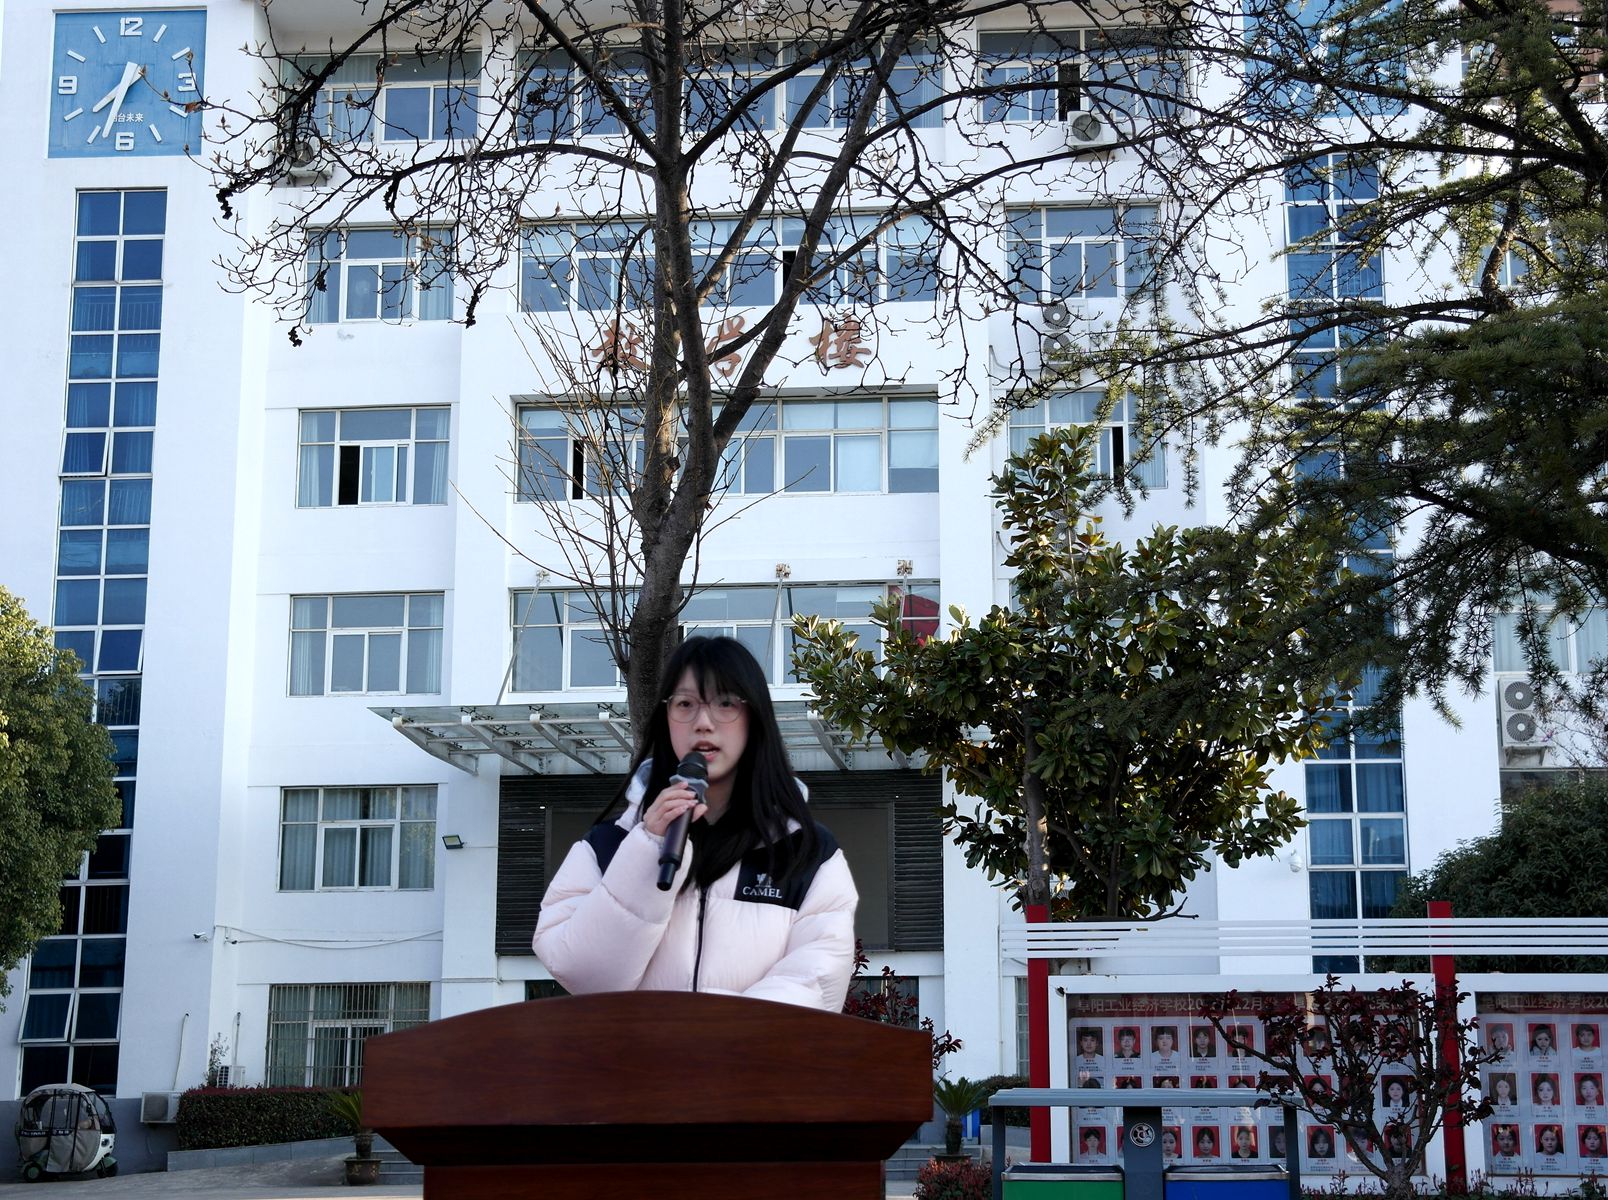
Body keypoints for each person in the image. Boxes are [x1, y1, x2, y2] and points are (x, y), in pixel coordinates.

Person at [532, 636, 857, 1009]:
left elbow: (815, 980)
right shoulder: (607, 846)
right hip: (639, 1050)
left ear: (754, 718)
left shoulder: (808, 853)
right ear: (665, 718)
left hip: (751, 1049)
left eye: (725, 703)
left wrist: (710, 1032)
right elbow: (584, 974)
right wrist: (647, 848)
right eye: (685, 704)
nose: (703, 723)